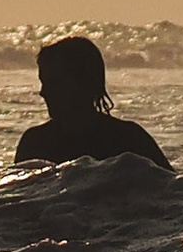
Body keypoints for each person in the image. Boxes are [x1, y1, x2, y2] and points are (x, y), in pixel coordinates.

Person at [15, 35, 171, 171]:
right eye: (44, 82)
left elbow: (176, 190)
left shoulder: (129, 139)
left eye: (54, 83)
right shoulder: (35, 143)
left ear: (85, 84)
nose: (44, 92)